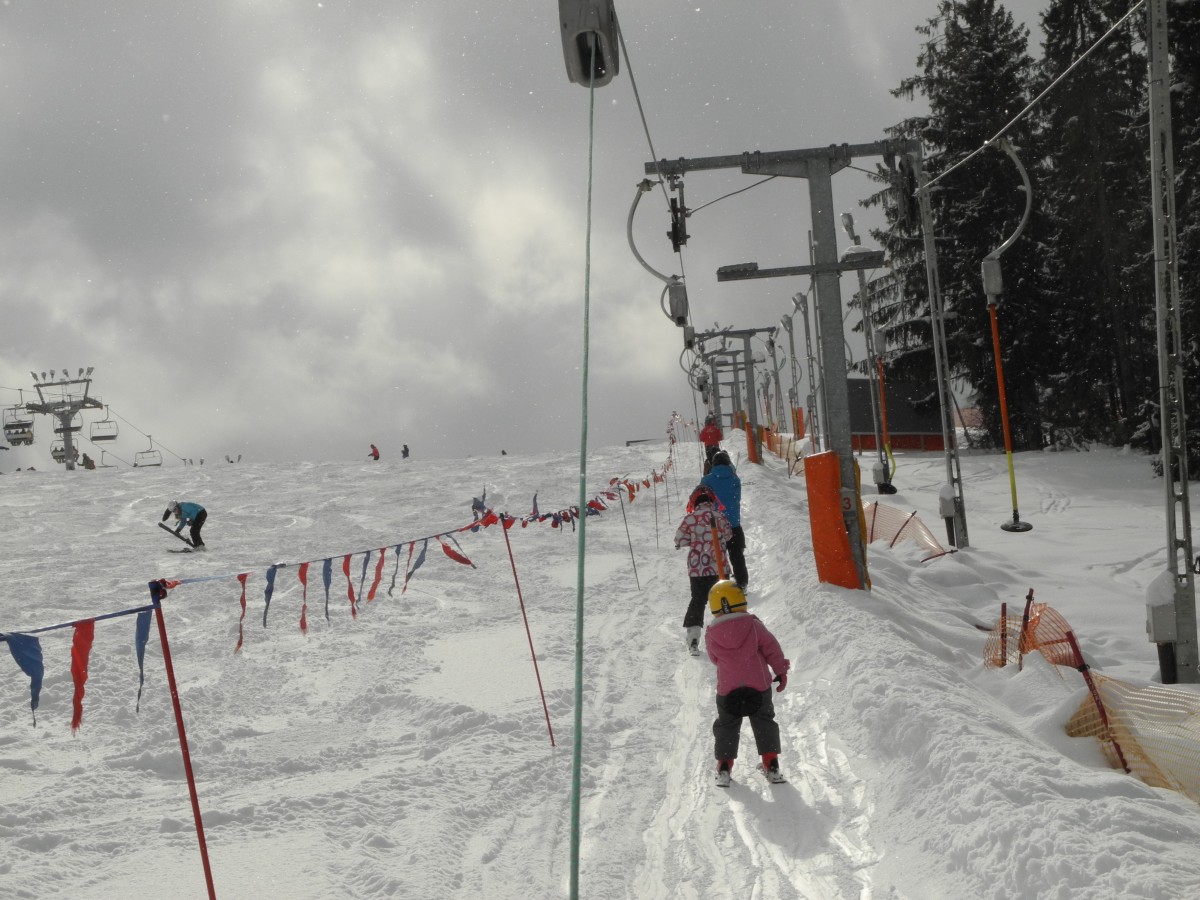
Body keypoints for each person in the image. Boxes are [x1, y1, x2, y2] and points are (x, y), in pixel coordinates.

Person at [705, 580, 789, 787]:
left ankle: (724, 767)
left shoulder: (711, 633)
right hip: (758, 686)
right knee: (764, 721)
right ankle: (771, 765)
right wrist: (780, 670)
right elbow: (772, 648)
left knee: (727, 725)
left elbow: (714, 658)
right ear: (740, 599)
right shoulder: (753, 625)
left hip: (728, 689)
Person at [674, 484, 732, 655]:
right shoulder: (720, 516)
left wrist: (694, 539)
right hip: (719, 567)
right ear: (711, 500)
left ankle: (693, 639)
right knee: (723, 602)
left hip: (698, 570)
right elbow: (728, 535)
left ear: (695, 502)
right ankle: (727, 637)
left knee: (698, 601)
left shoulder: (690, 519)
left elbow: (679, 540)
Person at [702, 450, 748, 589]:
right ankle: (742, 582)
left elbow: (703, 500)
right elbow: (737, 498)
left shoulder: (707, 480)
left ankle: (721, 582)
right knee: (736, 554)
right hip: (733, 523)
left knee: (717, 555)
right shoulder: (735, 479)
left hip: (715, 524)